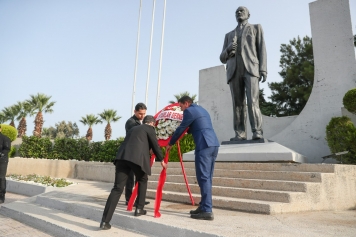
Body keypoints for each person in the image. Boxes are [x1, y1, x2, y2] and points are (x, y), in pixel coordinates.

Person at [100, 115, 166, 230]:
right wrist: (162, 160)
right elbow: (155, 145)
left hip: (122, 158)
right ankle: (139, 208)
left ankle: (104, 222)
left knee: (117, 189)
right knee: (142, 179)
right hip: (136, 159)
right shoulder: (149, 128)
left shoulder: (133, 129)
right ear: (151, 123)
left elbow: (139, 143)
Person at [166, 96, 219, 221]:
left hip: (204, 145)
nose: (181, 109)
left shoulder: (189, 111)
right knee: (207, 178)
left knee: (203, 177)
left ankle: (207, 210)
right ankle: (204, 206)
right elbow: (195, 127)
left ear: (186, 103)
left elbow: (182, 128)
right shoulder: (201, 110)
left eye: (181, 106)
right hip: (213, 144)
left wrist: (171, 142)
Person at [219, 6, 267, 141]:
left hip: (251, 68)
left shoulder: (256, 28)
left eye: (242, 11)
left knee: (253, 102)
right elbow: (222, 58)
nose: (239, 12)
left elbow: (261, 48)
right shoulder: (229, 35)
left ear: (248, 15)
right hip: (234, 71)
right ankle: (240, 134)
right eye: (237, 12)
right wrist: (228, 49)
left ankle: (257, 131)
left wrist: (263, 69)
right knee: (237, 104)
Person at [124, 102, 149, 206]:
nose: (142, 116)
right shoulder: (131, 122)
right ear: (135, 111)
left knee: (139, 177)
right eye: (140, 114)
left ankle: (139, 199)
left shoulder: (140, 122)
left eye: (144, 114)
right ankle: (129, 199)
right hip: (130, 153)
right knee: (129, 178)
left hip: (138, 154)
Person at [0, 125, 11, 204]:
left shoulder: (5, 138)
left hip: (2, 161)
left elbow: (6, 149)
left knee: (1, 178)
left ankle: (1, 196)